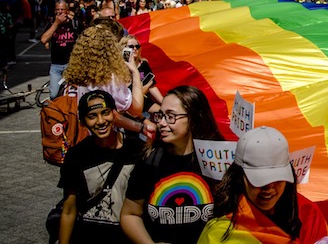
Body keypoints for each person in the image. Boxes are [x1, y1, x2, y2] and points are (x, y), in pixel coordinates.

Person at [121, 86, 225, 244]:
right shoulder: (149, 161)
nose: (161, 123)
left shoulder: (219, 159)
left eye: (170, 116)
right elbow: (130, 214)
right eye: (160, 115)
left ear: (193, 117)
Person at [198, 127, 328, 244]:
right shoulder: (218, 233)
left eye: (278, 180)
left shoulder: (307, 214)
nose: (269, 189)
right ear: (240, 177)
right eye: (259, 181)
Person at [58, 90, 144, 244]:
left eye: (105, 113)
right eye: (92, 116)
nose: (101, 121)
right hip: (90, 236)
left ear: (115, 114)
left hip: (129, 236)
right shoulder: (76, 155)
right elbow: (69, 209)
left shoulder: (137, 149)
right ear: (83, 121)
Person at [63, 26, 145, 120]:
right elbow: (136, 109)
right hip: (97, 132)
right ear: (111, 50)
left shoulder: (75, 74)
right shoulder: (109, 79)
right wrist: (135, 71)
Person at [41, 0, 83, 99]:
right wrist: (56, 23)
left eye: (62, 10)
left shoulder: (75, 23)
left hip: (71, 64)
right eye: (57, 10)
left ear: (67, 11)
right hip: (56, 65)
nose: (60, 12)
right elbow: (43, 39)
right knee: (54, 95)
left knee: (72, 95)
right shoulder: (52, 23)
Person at [120, 35, 164, 115]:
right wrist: (145, 88)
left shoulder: (143, 64)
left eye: (137, 46)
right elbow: (128, 94)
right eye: (131, 47)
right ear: (123, 48)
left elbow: (152, 87)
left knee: (163, 114)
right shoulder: (119, 68)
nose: (135, 49)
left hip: (147, 103)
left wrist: (163, 103)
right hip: (129, 108)